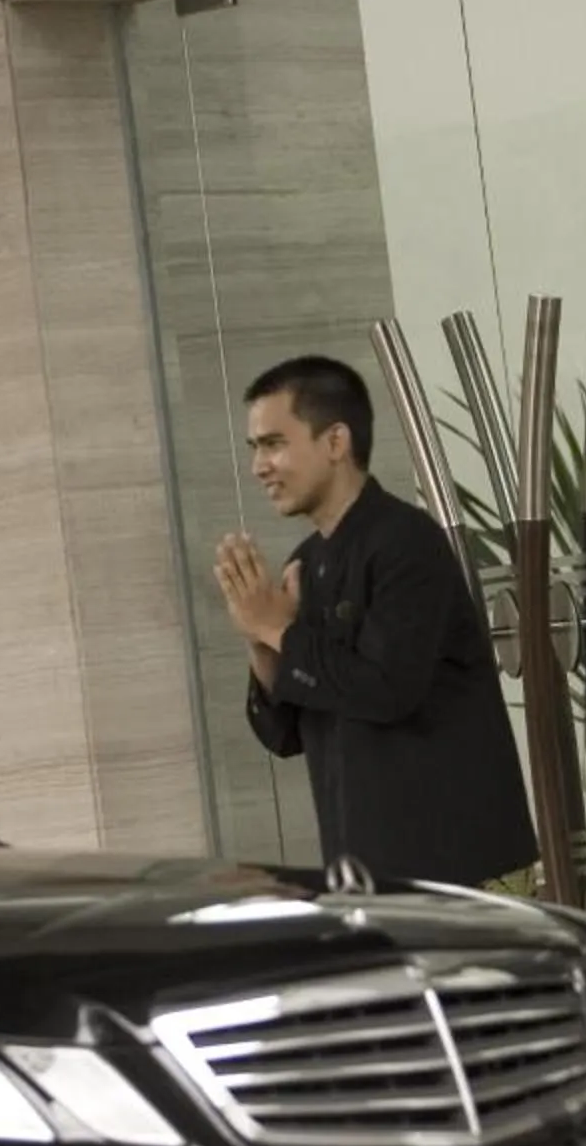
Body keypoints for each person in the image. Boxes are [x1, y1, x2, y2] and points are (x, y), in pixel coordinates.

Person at [213, 355, 538, 891]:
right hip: (370, 878)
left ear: (335, 442)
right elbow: (285, 732)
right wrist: (260, 638)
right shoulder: (307, 561)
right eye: (255, 449)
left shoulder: (406, 543)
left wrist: (277, 629)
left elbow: (387, 690)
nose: (259, 466)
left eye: (273, 444)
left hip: (461, 872)